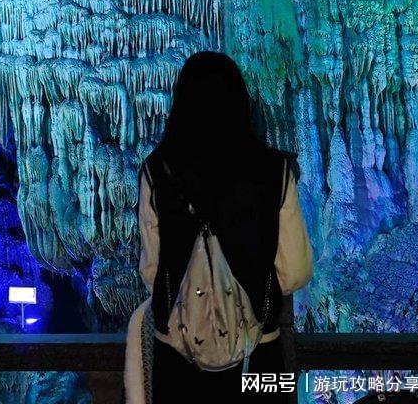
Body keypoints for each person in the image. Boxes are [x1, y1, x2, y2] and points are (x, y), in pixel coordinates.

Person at [124, 51, 313, 403]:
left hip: (178, 359)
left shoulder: (156, 170)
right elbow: (295, 273)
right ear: (240, 101)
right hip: (258, 354)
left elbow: (152, 271)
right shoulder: (275, 170)